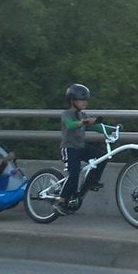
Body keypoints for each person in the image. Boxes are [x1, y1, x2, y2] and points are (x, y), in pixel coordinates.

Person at [53, 83, 107, 216]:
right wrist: (83, 122)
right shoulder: (66, 114)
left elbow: (97, 128)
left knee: (102, 156)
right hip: (68, 148)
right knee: (74, 174)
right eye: (82, 100)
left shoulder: (83, 114)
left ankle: (92, 181)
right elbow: (70, 125)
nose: (85, 102)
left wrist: (110, 130)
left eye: (85, 100)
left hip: (80, 147)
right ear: (72, 101)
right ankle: (61, 201)